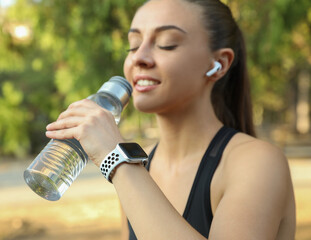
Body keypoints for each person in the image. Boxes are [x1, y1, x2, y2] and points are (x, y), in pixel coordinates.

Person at [45, 0, 296, 239]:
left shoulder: (257, 163)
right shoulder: (140, 168)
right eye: (133, 45)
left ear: (218, 64)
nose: (138, 58)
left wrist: (115, 158)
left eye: (166, 43)